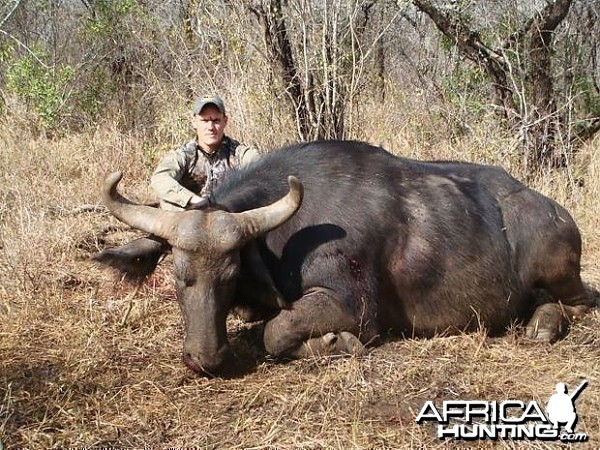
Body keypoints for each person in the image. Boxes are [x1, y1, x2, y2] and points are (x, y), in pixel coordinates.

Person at [93, 95, 260, 278]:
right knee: (145, 250)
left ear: (225, 121)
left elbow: (260, 171)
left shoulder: (240, 153)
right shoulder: (183, 154)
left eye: (216, 120)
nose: (210, 127)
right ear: (194, 122)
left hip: (227, 223)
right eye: (204, 120)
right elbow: (160, 178)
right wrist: (196, 201)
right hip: (188, 224)